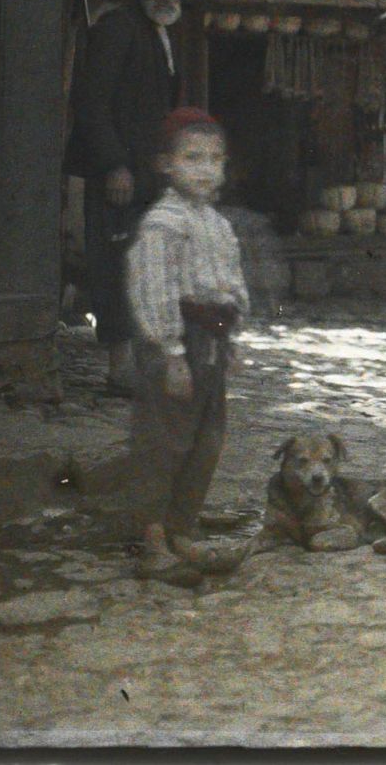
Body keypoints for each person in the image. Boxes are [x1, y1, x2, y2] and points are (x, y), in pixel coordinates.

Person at [125, 107, 250, 583]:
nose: (205, 169)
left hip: (210, 343)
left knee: (206, 439)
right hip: (176, 341)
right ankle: (152, 540)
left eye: (214, 159)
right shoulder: (163, 224)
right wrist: (172, 353)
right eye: (192, 158)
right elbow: (154, 290)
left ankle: (182, 529)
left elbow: (230, 282)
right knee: (165, 439)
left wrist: (230, 337)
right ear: (166, 165)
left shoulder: (216, 225)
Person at [66, 0, 191, 394]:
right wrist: (113, 164)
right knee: (114, 267)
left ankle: (142, 364)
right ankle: (120, 370)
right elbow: (92, 102)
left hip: (149, 175)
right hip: (118, 174)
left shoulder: (161, 34)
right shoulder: (119, 28)